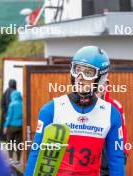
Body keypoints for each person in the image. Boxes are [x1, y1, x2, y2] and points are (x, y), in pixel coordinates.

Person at [25, 46, 125, 176]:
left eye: (88, 72)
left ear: (100, 78)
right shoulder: (51, 110)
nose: (80, 77)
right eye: (77, 70)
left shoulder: (111, 114)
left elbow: (116, 161)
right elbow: (36, 155)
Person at [96, 80, 129, 176]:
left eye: (101, 85)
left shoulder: (115, 106)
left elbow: (122, 130)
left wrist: (124, 152)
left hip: (110, 150)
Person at [3, 90, 23, 164]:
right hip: (20, 126)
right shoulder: (22, 104)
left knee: (10, 142)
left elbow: (10, 116)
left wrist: (5, 126)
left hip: (12, 126)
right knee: (18, 143)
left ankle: (11, 158)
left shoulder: (12, 104)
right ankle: (18, 160)